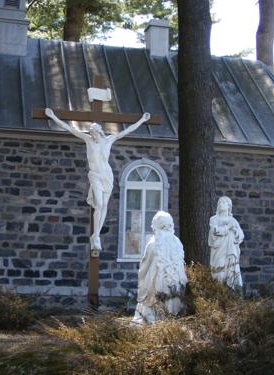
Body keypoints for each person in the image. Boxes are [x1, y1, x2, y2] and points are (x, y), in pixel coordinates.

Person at [45, 108, 151, 251]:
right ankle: (95, 235)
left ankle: (96, 235)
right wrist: (54, 117)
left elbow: (127, 131)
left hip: (106, 175)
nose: (92, 135)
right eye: (91, 133)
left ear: (99, 132)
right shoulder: (88, 140)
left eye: (94, 133)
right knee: (99, 204)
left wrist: (142, 120)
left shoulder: (109, 140)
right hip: (94, 175)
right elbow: (69, 128)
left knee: (104, 206)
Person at [132, 211, 187, 324]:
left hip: (158, 284)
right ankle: (169, 318)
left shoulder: (153, 243)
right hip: (176, 285)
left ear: (156, 226)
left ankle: (157, 318)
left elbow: (145, 266)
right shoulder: (177, 243)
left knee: (152, 297)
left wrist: (142, 280)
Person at [208, 196, 244, 289]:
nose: (221, 204)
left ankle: (230, 291)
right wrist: (228, 227)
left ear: (229, 206)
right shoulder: (214, 219)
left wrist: (235, 232)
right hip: (219, 250)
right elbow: (215, 231)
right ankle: (219, 292)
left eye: (224, 203)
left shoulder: (233, 221)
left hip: (231, 252)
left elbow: (241, 235)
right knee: (219, 272)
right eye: (219, 203)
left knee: (230, 271)